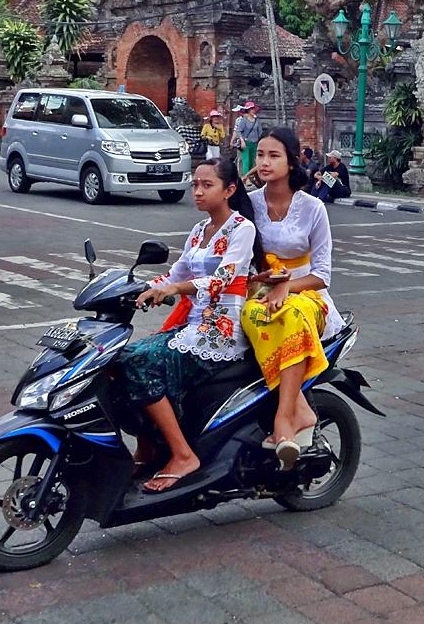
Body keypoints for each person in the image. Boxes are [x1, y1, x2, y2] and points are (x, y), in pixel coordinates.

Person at [117, 158, 264, 492]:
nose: (197, 191)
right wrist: (137, 289)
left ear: (229, 190)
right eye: (195, 184)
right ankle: (148, 444)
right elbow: (176, 273)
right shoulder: (199, 231)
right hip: (193, 325)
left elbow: (222, 279)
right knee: (120, 359)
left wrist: (174, 289)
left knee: (141, 362)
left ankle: (183, 455)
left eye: (207, 185)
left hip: (220, 331)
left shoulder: (242, 229)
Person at [240, 127, 343, 469]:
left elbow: (322, 274)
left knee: (292, 315)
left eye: (274, 156)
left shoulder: (313, 208)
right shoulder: (249, 204)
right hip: (260, 290)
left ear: (292, 161)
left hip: (307, 293)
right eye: (261, 155)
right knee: (251, 316)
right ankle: (300, 408)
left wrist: (287, 286)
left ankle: (283, 418)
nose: (265, 162)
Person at [231, 102, 262, 177]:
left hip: (254, 143)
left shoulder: (256, 120)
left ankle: (250, 176)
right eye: (251, 109)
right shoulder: (244, 120)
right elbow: (238, 131)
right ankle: (245, 177)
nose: (253, 110)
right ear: (248, 110)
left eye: (253, 109)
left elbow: (260, 131)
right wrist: (242, 140)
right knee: (246, 160)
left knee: (252, 160)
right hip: (246, 142)